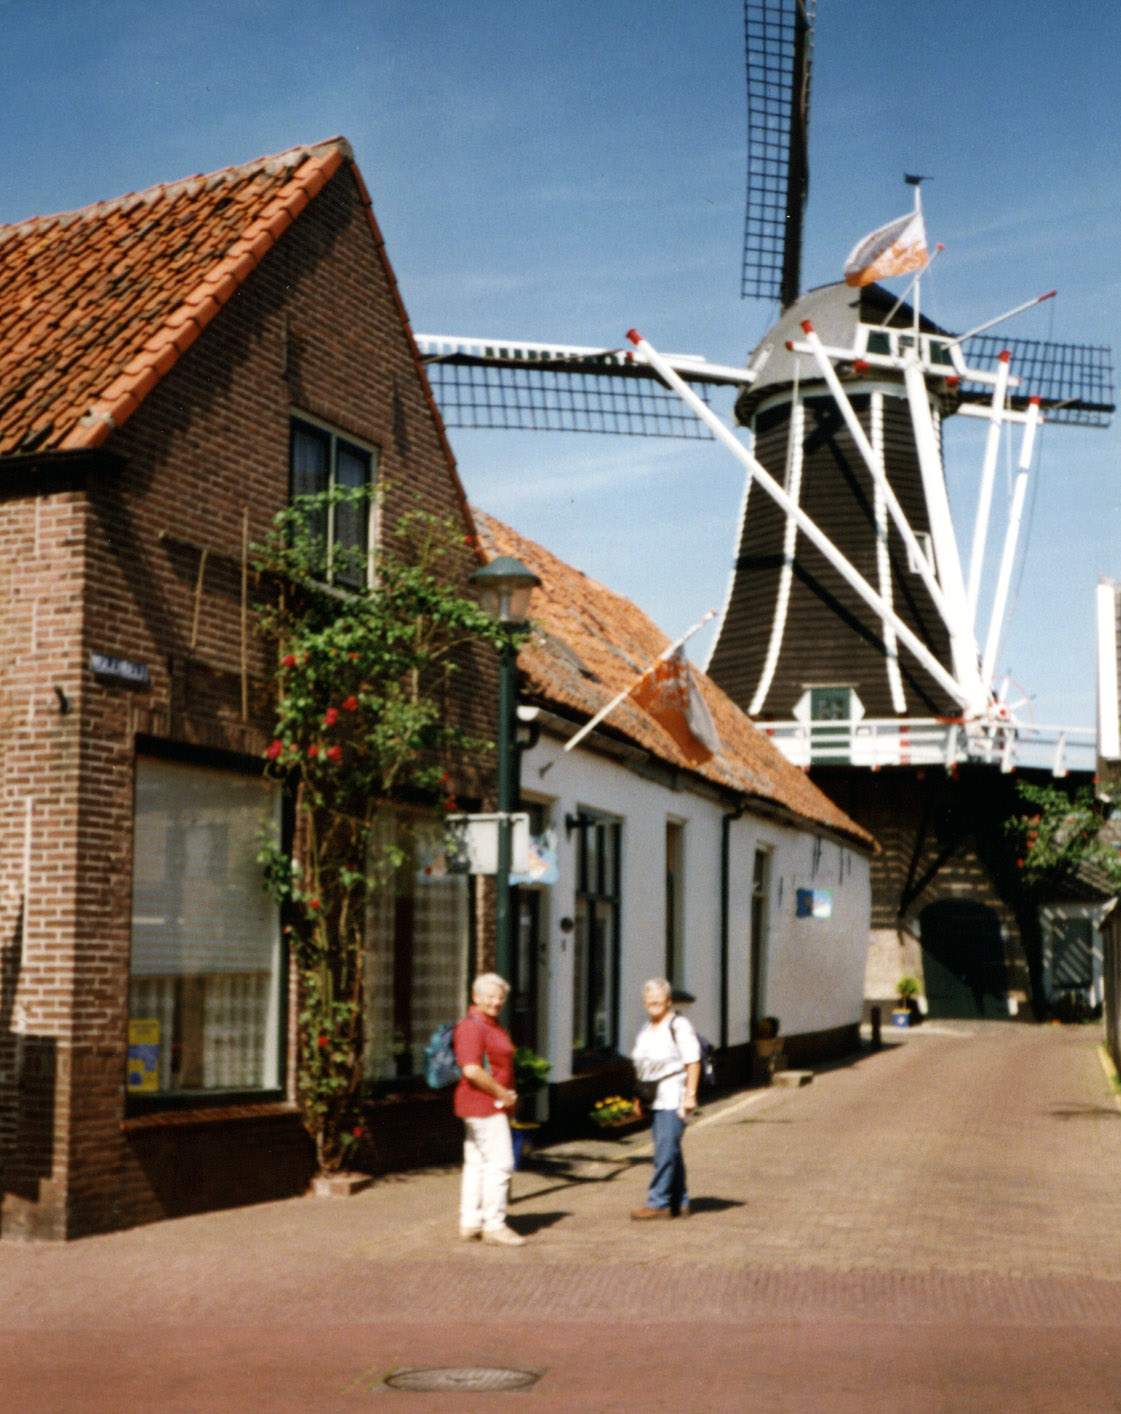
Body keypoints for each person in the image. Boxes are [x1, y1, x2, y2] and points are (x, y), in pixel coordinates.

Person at [453, 972, 525, 1246]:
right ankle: (494, 1225)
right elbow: (471, 1069)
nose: (496, 1002)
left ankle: (470, 1222)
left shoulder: (491, 1024)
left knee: (477, 1164)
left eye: (500, 997)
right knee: (500, 1163)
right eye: (490, 996)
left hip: (486, 1104)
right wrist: (501, 1093)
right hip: (483, 1105)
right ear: (476, 997)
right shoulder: (472, 1026)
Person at [630, 976, 701, 1220]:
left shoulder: (679, 1025)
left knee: (665, 1150)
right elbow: (642, 1067)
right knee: (671, 1149)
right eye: (649, 1000)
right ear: (644, 1003)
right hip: (653, 1097)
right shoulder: (645, 1029)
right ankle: (680, 1201)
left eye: (659, 999)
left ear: (669, 1001)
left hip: (673, 1096)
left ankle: (658, 1202)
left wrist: (690, 1095)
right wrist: (638, 1098)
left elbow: (693, 1062)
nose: (654, 1003)